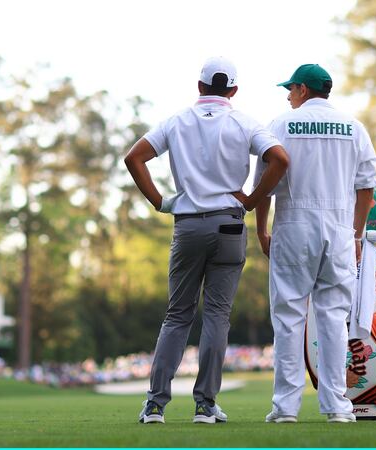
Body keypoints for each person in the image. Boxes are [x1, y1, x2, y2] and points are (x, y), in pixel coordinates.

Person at [124, 56, 289, 424]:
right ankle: (205, 405)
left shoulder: (176, 121)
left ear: (199, 86)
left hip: (188, 225)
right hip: (230, 224)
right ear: (233, 90)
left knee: (177, 315)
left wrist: (159, 201)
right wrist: (251, 199)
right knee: (217, 315)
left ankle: (155, 405)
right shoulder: (244, 122)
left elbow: (134, 158)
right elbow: (279, 158)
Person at [241, 64, 376, 423]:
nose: (288, 95)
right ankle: (337, 407)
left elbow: (265, 184)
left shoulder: (281, 124)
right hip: (338, 229)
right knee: (334, 320)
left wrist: (260, 230)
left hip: (293, 226)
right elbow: (367, 188)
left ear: (303, 89)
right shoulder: (355, 128)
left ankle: (285, 408)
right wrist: (357, 235)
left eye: (291, 89)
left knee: (288, 318)